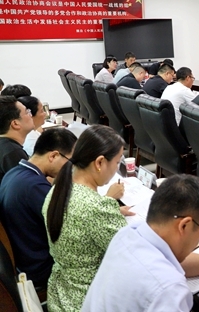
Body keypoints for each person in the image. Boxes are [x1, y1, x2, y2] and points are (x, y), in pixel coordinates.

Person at [82, 174, 199, 312]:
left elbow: (174, 262)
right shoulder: (169, 289)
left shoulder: (128, 234)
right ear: (184, 225)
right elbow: (164, 276)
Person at [42, 125, 133, 312]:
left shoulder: (57, 190)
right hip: (89, 300)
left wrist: (111, 210)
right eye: (117, 162)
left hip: (61, 294)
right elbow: (135, 259)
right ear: (99, 162)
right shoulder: (96, 208)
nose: (116, 169)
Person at [0, 128, 77, 288]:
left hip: (25, 258)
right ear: (53, 156)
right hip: (40, 269)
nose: (70, 168)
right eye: (70, 162)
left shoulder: (14, 174)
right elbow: (71, 226)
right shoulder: (34, 187)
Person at [0, 95, 35, 184]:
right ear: (15, 124)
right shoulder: (13, 153)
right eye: (27, 112)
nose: (31, 115)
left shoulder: (5, 146)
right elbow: (28, 186)